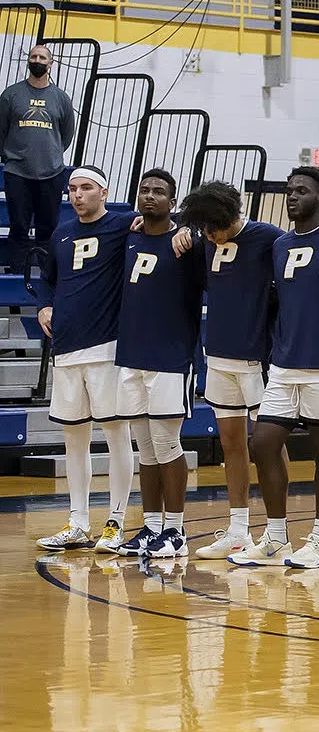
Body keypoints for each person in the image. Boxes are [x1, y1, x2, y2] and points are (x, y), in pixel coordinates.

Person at [31, 164, 136, 554]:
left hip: (106, 348)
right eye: (72, 189)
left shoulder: (124, 225)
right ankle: (77, 521)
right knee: (73, 438)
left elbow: (166, 222)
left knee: (114, 433)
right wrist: (43, 306)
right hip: (66, 348)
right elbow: (48, 280)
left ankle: (116, 521)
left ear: (104, 192)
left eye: (86, 188)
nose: (77, 195)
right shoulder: (61, 233)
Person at [178, 180, 283, 558]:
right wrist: (184, 234)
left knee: (268, 446)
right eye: (202, 228)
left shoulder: (268, 237)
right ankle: (239, 530)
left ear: (232, 216)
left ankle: (277, 532)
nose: (208, 234)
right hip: (218, 356)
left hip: (258, 358)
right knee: (231, 444)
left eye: (212, 227)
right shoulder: (204, 236)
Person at [255, 168, 319, 569]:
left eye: (302, 191)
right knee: (261, 442)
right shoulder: (279, 244)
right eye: (289, 189)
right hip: (284, 362)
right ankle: (276, 538)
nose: (292, 196)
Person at [111, 169, 206, 560]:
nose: (149, 196)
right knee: (145, 448)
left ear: (173, 200)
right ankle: (151, 527)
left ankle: (176, 530)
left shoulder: (187, 243)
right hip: (132, 355)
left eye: (159, 192)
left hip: (170, 357)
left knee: (168, 444)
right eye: (144, 190)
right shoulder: (129, 236)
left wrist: (191, 226)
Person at [1, 42, 78, 275]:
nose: (37, 61)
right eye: (33, 57)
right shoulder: (10, 94)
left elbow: (66, 134)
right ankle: (17, 275)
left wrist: (51, 153)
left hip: (51, 172)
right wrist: (10, 155)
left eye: (42, 58)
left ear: (51, 65)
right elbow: (1, 129)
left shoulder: (60, 98)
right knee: (19, 228)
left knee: (47, 229)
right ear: (28, 62)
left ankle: (46, 278)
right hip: (17, 172)